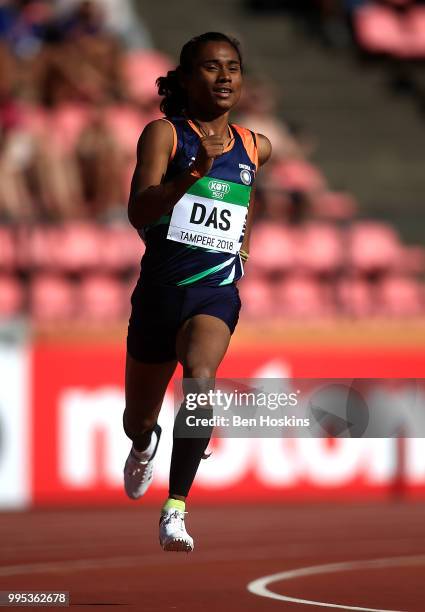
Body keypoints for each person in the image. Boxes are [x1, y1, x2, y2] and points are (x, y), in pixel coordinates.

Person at [123, 31, 272, 553]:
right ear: (187, 79)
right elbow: (139, 210)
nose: (225, 76)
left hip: (214, 292)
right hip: (159, 294)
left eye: (233, 66)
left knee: (201, 380)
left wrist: (243, 250)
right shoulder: (164, 134)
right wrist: (191, 176)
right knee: (136, 419)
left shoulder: (256, 145)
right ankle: (144, 444)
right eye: (211, 67)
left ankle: (176, 508)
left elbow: (245, 201)